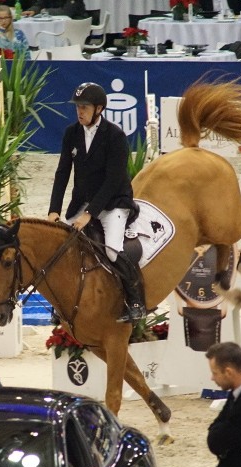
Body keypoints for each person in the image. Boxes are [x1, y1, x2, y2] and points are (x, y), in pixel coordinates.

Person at [47, 82, 145, 324]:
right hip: (82, 200)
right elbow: (62, 173)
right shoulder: (71, 133)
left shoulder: (115, 136)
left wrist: (89, 214)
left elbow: (113, 180)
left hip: (113, 202)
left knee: (112, 250)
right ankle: (60, 305)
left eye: (84, 107)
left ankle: (135, 301)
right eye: (77, 107)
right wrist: (54, 210)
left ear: (99, 108)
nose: (79, 112)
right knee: (60, 248)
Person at [22, 0, 87, 18]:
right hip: (54, 24)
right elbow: (40, 4)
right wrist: (33, 10)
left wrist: (45, 11)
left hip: (75, 23)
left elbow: (66, 12)